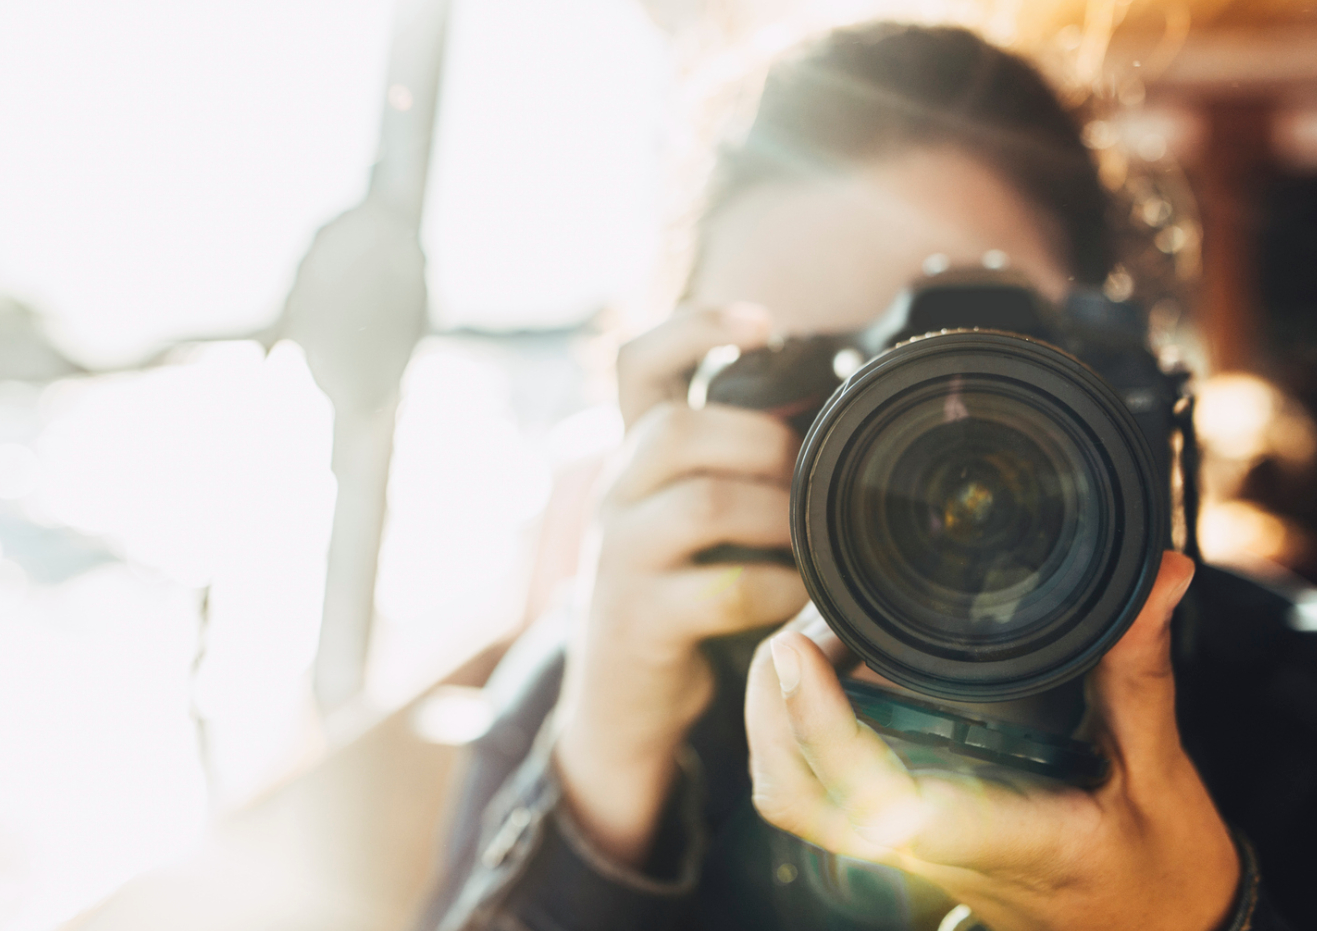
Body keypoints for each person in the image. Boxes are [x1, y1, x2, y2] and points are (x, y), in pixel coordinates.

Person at [416, 22, 1317, 931]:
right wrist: (605, 765)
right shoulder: (594, 680)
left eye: (966, 363)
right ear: (691, 404)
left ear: (1116, 387)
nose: (896, 443)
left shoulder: (1290, 694)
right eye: (816, 377)